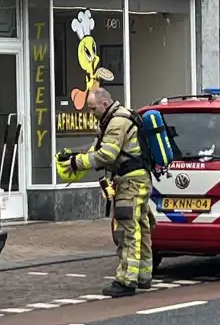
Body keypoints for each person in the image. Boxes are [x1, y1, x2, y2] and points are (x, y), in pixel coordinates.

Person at [59, 87, 153, 297]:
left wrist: (76, 163)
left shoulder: (117, 122)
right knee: (142, 225)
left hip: (131, 182)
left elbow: (107, 155)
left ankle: (127, 280)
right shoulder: (113, 119)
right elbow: (99, 148)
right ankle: (144, 275)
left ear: (104, 103)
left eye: (93, 109)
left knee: (127, 229)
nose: (91, 113)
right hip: (138, 180)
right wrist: (77, 154)